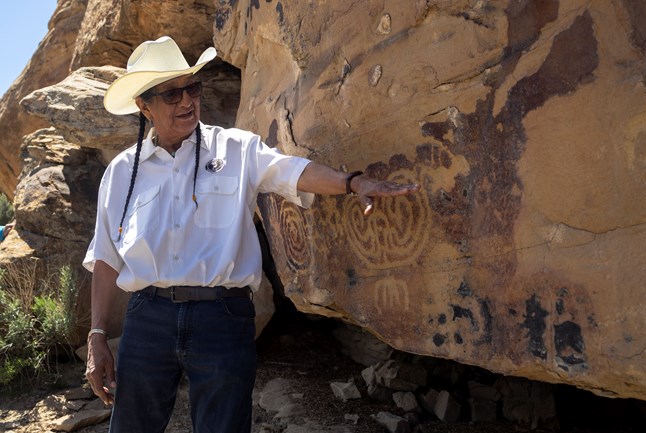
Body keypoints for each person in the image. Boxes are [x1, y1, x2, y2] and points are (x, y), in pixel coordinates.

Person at [83, 36, 420, 433]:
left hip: (221, 317)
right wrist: (98, 334)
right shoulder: (122, 172)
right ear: (144, 105)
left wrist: (351, 182)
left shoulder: (236, 149)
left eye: (193, 88)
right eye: (172, 94)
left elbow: (291, 170)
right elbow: (106, 257)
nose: (188, 101)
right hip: (146, 320)